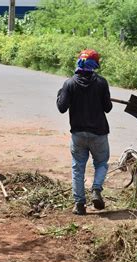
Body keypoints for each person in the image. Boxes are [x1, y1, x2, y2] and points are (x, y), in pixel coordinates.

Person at [57, 49, 113, 215]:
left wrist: (60, 94)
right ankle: (96, 188)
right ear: (95, 65)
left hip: (78, 134)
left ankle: (79, 205)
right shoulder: (102, 83)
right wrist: (104, 97)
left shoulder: (69, 84)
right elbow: (108, 108)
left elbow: (61, 107)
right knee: (101, 163)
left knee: (78, 168)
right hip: (99, 133)